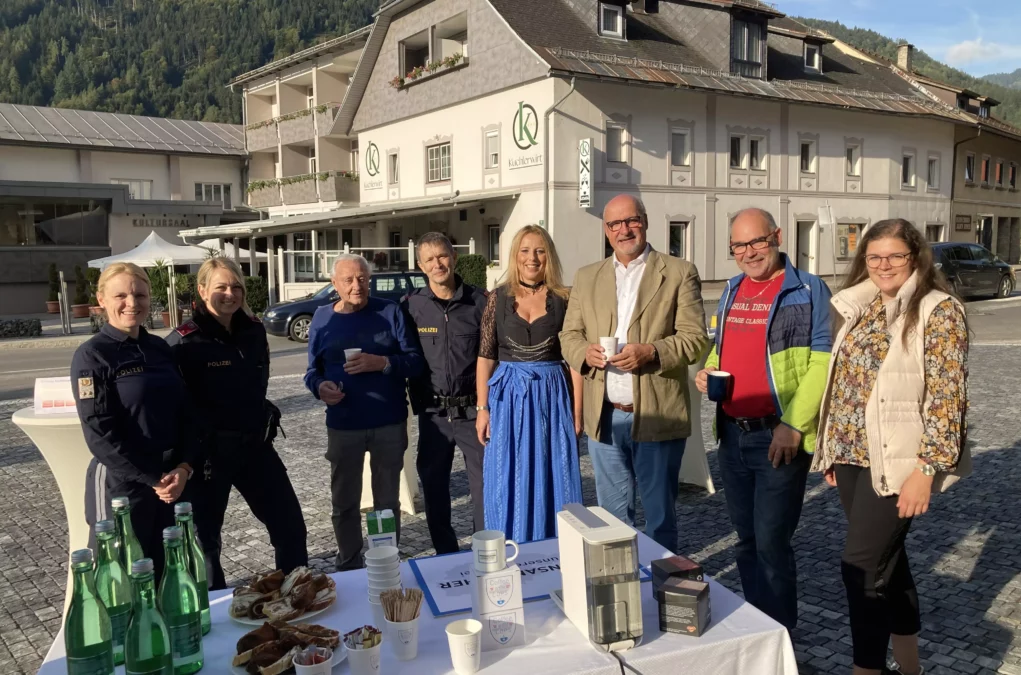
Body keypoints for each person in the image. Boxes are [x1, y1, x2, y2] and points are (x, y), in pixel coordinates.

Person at [813, 219, 970, 675]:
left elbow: (947, 398)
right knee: (889, 563)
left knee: (861, 567)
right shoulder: (857, 306)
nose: (883, 265)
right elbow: (845, 382)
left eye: (895, 256)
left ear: (916, 257)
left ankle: (867, 669)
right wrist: (833, 447)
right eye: (874, 256)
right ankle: (911, 668)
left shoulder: (938, 311)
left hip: (900, 461)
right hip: (851, 456)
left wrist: (927, 469)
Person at [695, 208, 833, 631]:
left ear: (776, 237)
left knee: (772, 544)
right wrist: (708, 367)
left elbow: (822, 361)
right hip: (732, 435)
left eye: (757, 241)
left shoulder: (807, 289)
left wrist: (794, 425)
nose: (749, 252)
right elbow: (724, 347)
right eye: (739, 245)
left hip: (777, 435)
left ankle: (781, 644)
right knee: (747, 541)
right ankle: (758, 634)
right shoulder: (733, 289)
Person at [561, 195, 707, 552]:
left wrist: (652, 352)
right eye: (615, 224)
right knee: (612, 517)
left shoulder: (678, 271)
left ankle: (660, 588)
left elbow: (696, 339)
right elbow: (569, 335)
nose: (624, 230)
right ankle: (620, 591)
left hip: (656, 413)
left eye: (631, 221)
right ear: (605, 230)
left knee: (659, 517)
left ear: (644, 221)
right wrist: (585, 353)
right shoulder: (586, 276)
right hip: (606, 416)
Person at [167, 257, 308, 589]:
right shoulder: (184, 342)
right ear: (202, 291)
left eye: (236, 287)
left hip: (255, 448)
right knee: (205, 546)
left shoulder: (254, 331)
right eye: (221, 287)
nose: (230, 293)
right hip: (208, 458)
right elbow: (176, 410)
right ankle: (211, 614)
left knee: (290, 526)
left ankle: (296, 597)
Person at [72, 262, 199, 583]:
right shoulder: (93, 355)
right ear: (101, 300)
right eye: (121, 295)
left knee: (169, 574)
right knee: (121, 580)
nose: (132, 302)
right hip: (124, 484)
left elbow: (186, 411)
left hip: (170, 480)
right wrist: (153, 478)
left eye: (140, 294)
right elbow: (99, 433)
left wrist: (184, 466)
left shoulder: (158, 347)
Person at [304, 254, 424, 570]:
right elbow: (311, 371)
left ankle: (385, 561)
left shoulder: (389, 311)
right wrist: (320, 387)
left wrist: (382, 363)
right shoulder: (322, 318)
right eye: (349, 280)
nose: (357, 285)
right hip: (344, 424)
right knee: (344, 502)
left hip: (388, 421)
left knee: (385, 504)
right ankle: (348, 562)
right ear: (334, 285)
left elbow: (415, 362)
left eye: (362, 278)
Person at [476, 224, 583, 543]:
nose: (532, 258)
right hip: (507, 397)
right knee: (507, 471)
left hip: (551, 395)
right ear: (515, 255)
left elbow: (575, 359)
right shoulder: (498, 297)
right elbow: (485, 356)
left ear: (548, 256)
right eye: (525, 251)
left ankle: (553, 547)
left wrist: (577, 413)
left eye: (539, 250)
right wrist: (482, 409)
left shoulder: (565, 298)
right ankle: (510, 544)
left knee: (553, 470)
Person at [401, 233, 488, 554]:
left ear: (454, 256)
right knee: (434, 486)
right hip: (434, 415)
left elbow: (494, 358)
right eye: (430, 259)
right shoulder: (412, 307)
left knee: (482, 486)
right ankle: (445, 553)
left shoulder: (481, 302)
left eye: (443, 256)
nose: (438, 264)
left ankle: (484, 550)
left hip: (473, 413)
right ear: (421, 266)